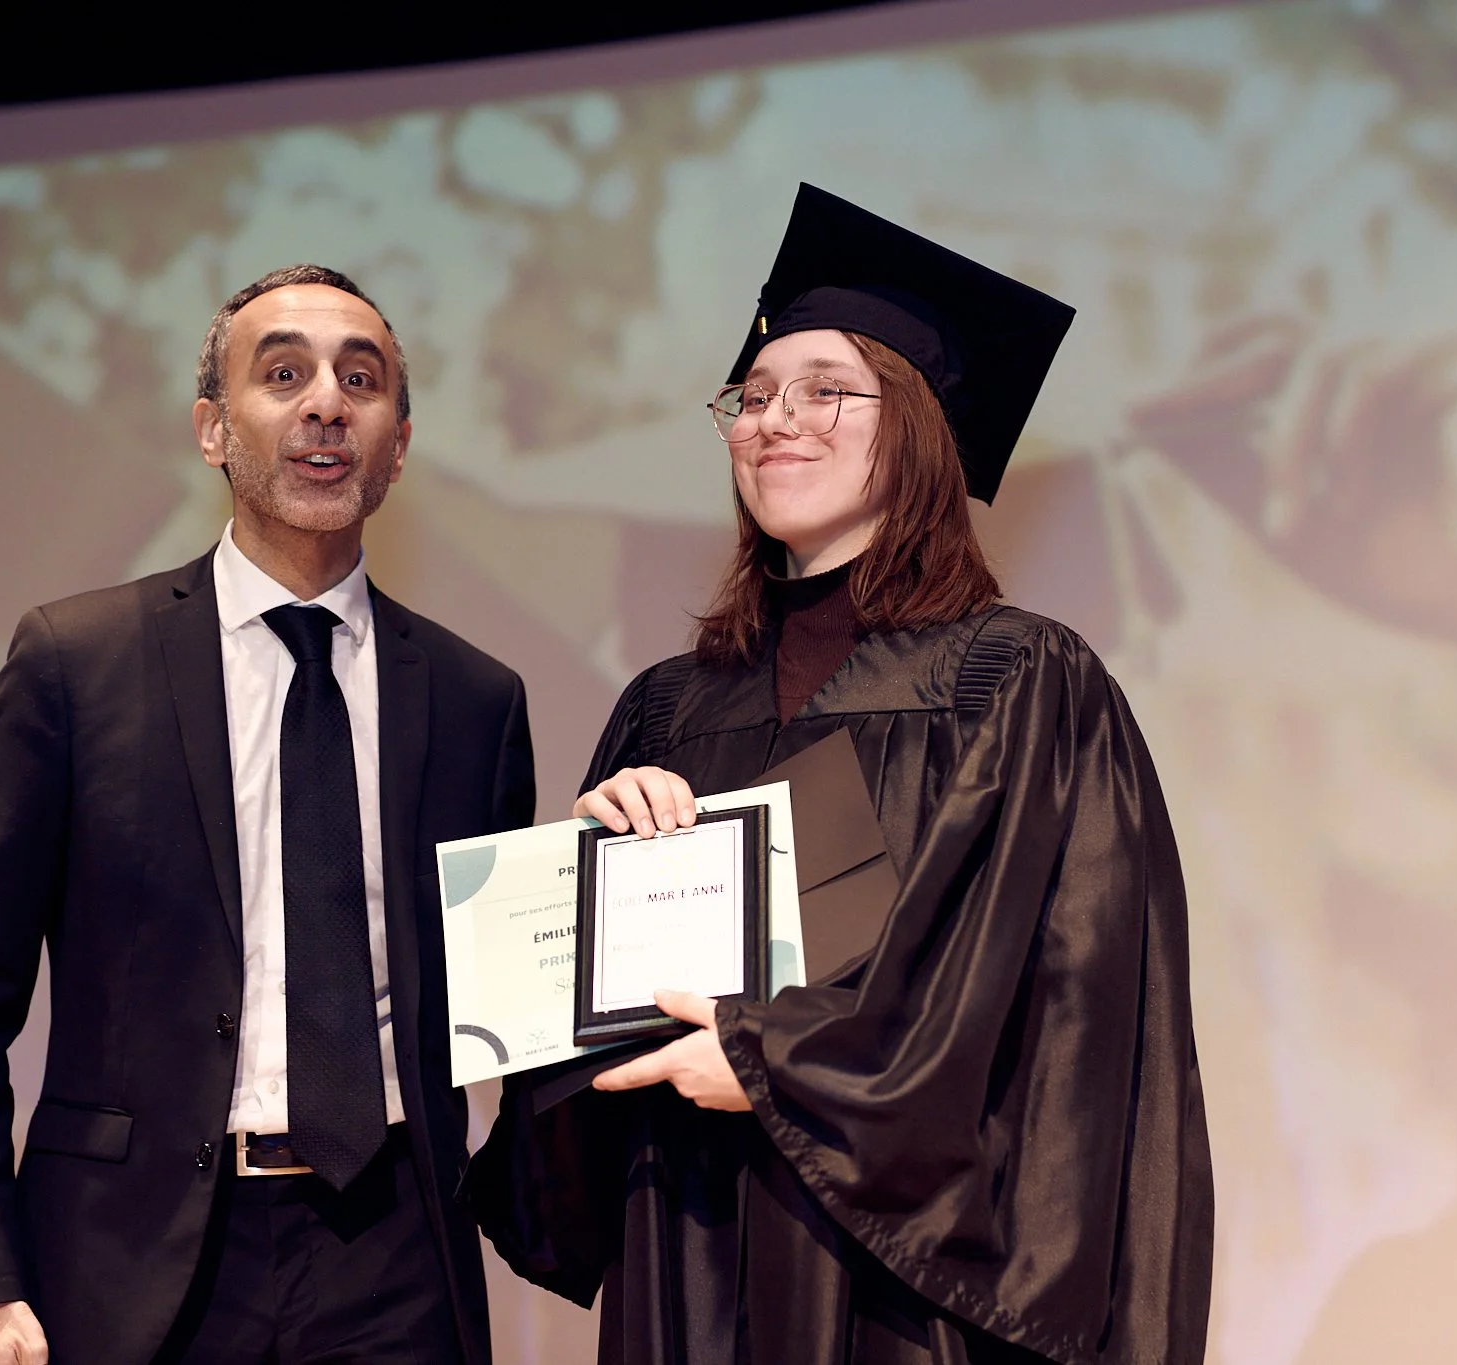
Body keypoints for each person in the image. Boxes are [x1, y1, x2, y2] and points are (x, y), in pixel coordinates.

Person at [466, 187, 1212, 1364]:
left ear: (915, 424)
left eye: (824, 391)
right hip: (690, 1237)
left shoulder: (1016, 683)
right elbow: (572, 1096)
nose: (774, 421)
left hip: (903, 1272)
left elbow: (1058, 1013)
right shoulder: (667, 705)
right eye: (752, 398)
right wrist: (588, 880)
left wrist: (774, 1070)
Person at [0, 264, 535, 1365]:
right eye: (281, 373)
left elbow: (514, 1010)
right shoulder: (75, 665)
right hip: (133, 1262)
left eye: (360, 378)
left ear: (396, 441)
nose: (325, 402)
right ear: (211, 429)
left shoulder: (478, 701)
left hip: (395, 1260)